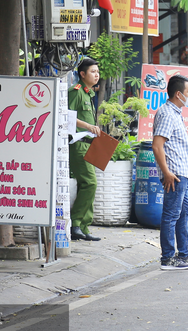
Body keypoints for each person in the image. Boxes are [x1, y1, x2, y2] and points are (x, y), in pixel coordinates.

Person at [152, 74, 188, 270]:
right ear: (178, 94)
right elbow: (157, 146)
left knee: (183, 213)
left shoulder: (175, 113)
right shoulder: (167, 113)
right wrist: (166, 173)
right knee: (171, 215)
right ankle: (167, 258)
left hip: (181, 173)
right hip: (174, 174)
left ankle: (184, 253)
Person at [69, 59, 102, 241]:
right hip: (78, 144)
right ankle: (75, 224)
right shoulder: (76, 93)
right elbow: (66, 115)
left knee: (86, 185)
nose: (96, 75)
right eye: (93, 71)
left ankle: (83, 227)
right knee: (90, 183)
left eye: (97, 72)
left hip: (90, 144)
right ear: (82, 74)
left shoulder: (89, 94)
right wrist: (88, 126)